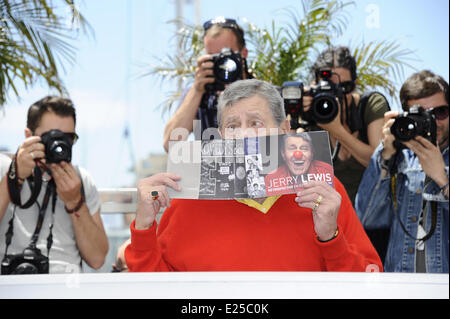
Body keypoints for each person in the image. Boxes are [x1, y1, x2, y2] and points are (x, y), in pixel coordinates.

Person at [125, 79, 382, 272]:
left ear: (284, 129)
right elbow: (155, 288)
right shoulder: (189, 197)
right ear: (221, 136)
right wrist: (144, 228)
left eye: (256, 123)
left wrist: (331, 236)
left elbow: (370, 281)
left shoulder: (324, 192)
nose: (244, 135)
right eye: (233, 126)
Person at [0, 96, 108, 274]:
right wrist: (14, 177)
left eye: (68, 137)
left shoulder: (81, 179)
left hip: (66, 287)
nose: (59, 145)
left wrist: (75, 202)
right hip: (11, 284)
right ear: (29, 136)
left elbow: (97, 259)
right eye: (52, 136)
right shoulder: (5, 168)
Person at [355, 70, 449, 273]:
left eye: (440, 112)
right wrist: (385, 156)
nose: (434, 122)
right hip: (400, 284)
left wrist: (442, 178)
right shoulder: (399, 157)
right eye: (422, 114)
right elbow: (365, 218)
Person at [305, 46, 390, 204]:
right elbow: (287, 172)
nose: (338, 94)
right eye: (330, 87)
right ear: (314, 85)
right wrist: (296, 114)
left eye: (345, 87)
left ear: (355, 84)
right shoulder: (309, 116)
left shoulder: (370, 105)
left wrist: (336, 130)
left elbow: (379, 163)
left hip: (370, 220)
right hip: (325, 221)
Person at [162, 17, 250, 152]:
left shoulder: (265, 93)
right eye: (214, 57)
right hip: (212, 171)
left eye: (227, 54)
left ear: (243, 54)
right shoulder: (199, 95)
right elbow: (170, 144)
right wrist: (197, 90)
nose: (222, 63)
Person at [264, 133, 334, 196]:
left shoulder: (327, 171)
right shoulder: (270, 179)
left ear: (312, 153)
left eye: (304, 148)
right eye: (292, 148)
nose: (298, 154)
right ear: (283, 154)